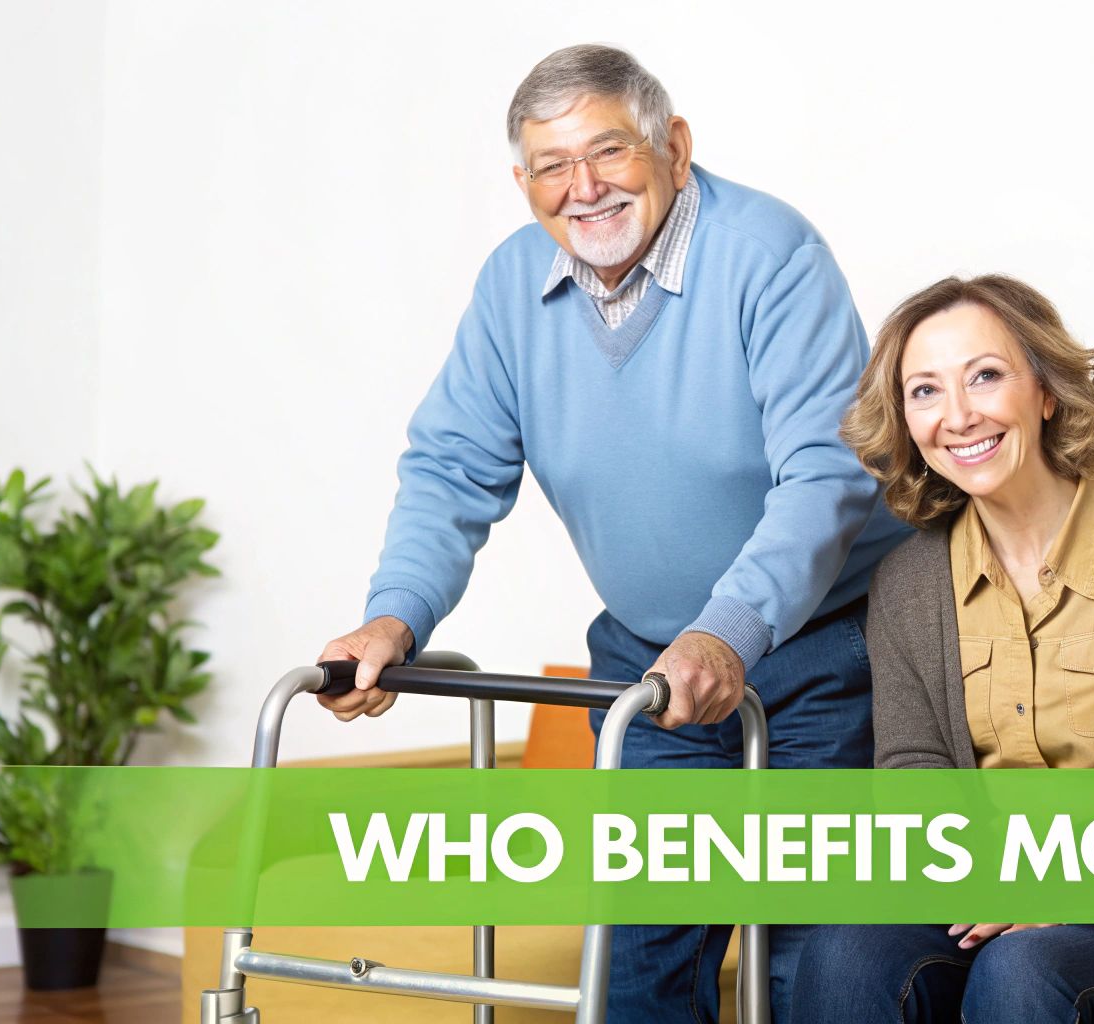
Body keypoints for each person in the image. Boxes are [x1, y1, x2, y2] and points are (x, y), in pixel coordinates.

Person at [313, 44, 907, 1022]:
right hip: (646, 664)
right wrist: (394, 618)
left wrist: (728, 630)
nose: (582, 189)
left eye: (607, 152)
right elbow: (451, 467)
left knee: (811, 961)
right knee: (637, 966)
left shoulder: (767, 253)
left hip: (813, 653)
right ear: (523, 183)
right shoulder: (513, 287)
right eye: (551, 166)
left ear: (671, 144)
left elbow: (826, 472)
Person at [792, 275, 1094, 1022]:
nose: (957, 417)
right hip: (987, 900)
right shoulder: (907, 581)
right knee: (842, 950)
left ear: (1047, 392)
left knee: (1024, 967)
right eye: (924, 392)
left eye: (984, 377)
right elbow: (913, 779)